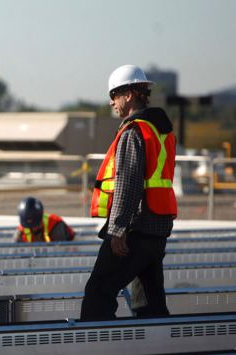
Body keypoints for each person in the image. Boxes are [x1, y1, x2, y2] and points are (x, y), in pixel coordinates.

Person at [80, 65, 177, 320]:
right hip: (157, 228)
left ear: (130, 94)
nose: (112, 102)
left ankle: (99, 346)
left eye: (114, 94)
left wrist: (118, 229)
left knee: (98, 293)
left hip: (135, 228)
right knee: (149, 303)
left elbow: (128, 183)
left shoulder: (134, 131)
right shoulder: (161, 130)